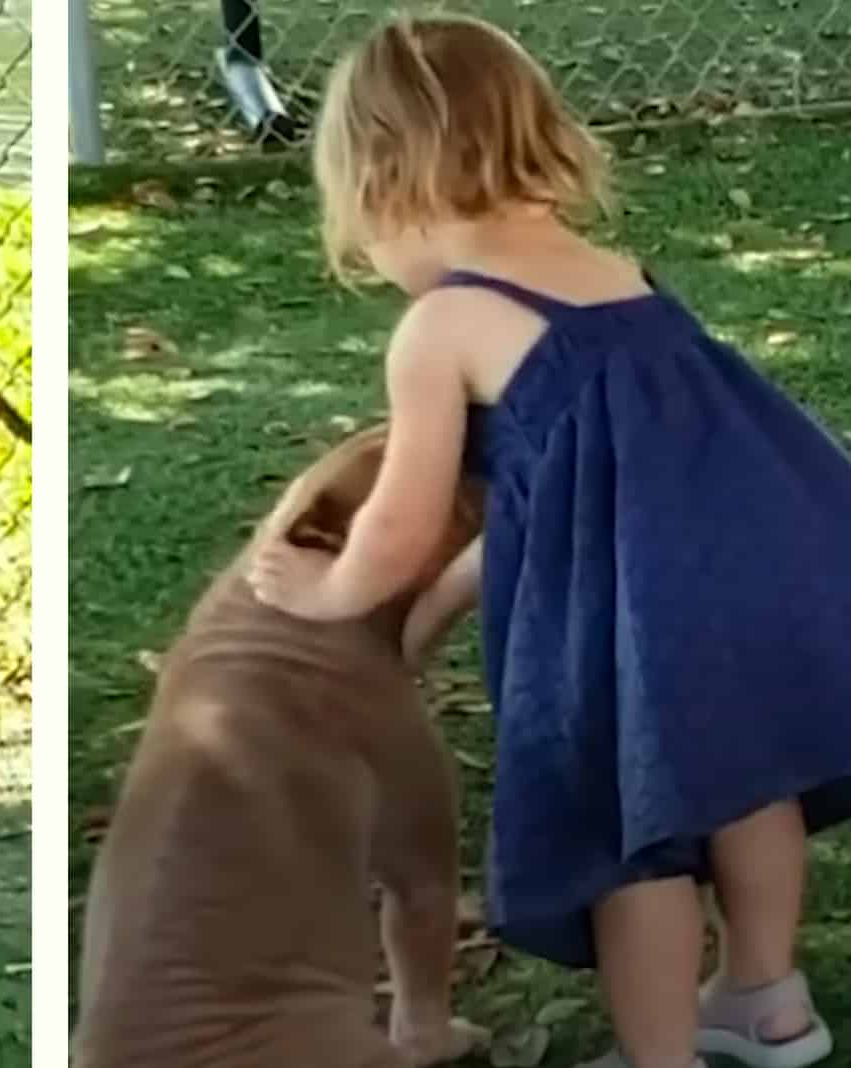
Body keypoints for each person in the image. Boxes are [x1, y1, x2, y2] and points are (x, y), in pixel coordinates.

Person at [247, 14, 851, 1068]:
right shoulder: (619, 273)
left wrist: (323, 593)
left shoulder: (445, 327)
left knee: (630, 840)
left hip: (636, 630)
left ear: (386, 183)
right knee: (749, 788)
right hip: (759, 572)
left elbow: (399, 522)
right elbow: (561, 511)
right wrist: (431, 619)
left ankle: (659, 1054)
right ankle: (767, 1002)